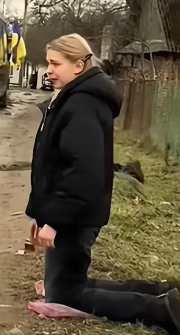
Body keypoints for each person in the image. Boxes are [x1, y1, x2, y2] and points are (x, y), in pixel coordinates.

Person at [27, 33, 180, 334]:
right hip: (71, 211)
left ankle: (164, 310)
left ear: (79, 66)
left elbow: (81, 172)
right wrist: (42, 214)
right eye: (48, 63)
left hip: (74, 214)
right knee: (65, 286)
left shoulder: (82, 103)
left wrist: (54, 222)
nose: (49, 70)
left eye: (56, 64)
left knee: (66, 293)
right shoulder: (73, 97)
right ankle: (160, 290)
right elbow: (56, 164)